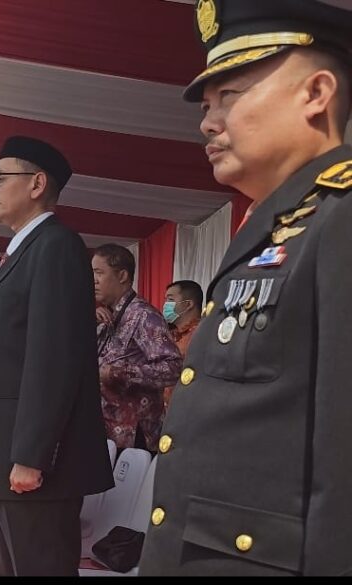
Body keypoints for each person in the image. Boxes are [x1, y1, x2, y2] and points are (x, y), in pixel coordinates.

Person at [140, 0, 352, 576]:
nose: (208, 123)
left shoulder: (339, 219)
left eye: (230, 96)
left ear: (316, 93)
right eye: (207, 106)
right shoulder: (275, 226)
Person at [0, 136, 114, 575]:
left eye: (0, 178)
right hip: (4, 457)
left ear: (36, 184)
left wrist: (32, 454)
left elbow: (53, 357)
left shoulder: (57, 246)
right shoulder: (21, 253)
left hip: (35, 465)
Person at [93, 244, 182, 452]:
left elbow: (174, 368)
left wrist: (119, 372)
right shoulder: (107, 315)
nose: (93, 280)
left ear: (122, 276)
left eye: (99, 273)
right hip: (106, 430)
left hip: (134, 436)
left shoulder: (143, 315)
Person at [162, 280, 204, 407]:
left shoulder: (201, 335)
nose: (165, 305)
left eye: (170, 299)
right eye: (166, 300)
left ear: (188, 304)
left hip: (188, 407)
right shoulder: (169, 334)